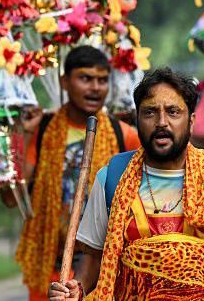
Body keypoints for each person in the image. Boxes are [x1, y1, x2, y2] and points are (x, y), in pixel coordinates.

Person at [48, 68, 204, 300]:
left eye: (173, 112)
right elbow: (95, 256)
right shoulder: (112, 177)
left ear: (191, 122)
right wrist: (78, 288)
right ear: (137, 120)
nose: (162, 122)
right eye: (150, 112)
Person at [13, 45, 140, 300]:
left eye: (102, 80)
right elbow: (14, 197)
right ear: (64, 82)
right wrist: (24, 133)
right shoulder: (42, 130)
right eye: (85, 78)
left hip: (102, 268)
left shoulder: (124, 135)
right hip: (51, 261)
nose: (95, 88)